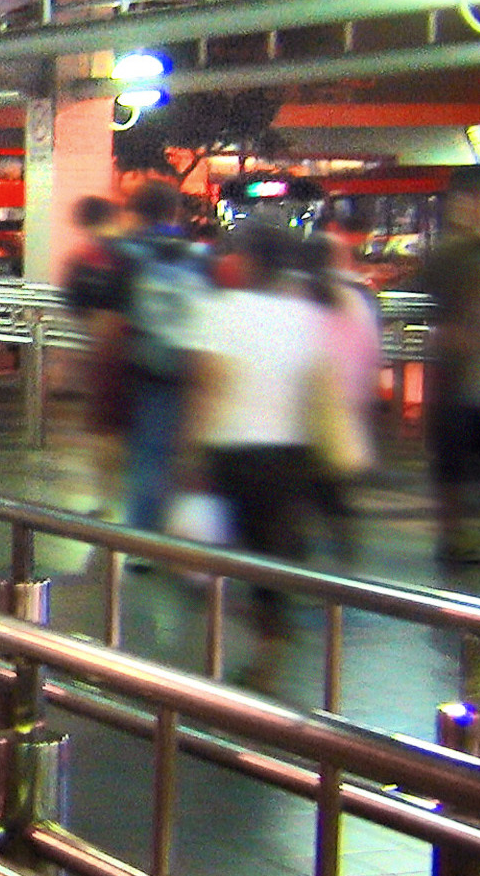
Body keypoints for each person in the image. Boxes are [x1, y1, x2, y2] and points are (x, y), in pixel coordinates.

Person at [182, 222, 333, 681]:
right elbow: (317, 387)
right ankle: (272, 633)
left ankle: (259, 639)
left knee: (226, 551)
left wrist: (189, 450)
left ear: (246, 261)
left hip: (233, 449)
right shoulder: (304, 317)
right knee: (273, 547)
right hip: (290, 451)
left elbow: (207, 384)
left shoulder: (221, 311)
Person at [410, 165, 480, 565]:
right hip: (463, 375)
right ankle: (459, 538)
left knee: (465, 463)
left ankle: (461, 536)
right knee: (464, 462)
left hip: (470, 374)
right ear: (467, 202)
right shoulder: (462, 255)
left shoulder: (474, 253)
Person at [106, 180, 208, 532]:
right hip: (194, 364)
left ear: (136, 211)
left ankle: (144, 539)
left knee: (146, 452)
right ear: (174, 211)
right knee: (185, 452)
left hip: (144, 363)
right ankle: (184, 531)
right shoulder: (197, 255)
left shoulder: (126, 252)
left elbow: (113, 314)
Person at [297, 232, 384, 563]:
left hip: (303, 408)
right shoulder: (354, 299)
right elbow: (369, 354)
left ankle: (295, 567)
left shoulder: (297, 295)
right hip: (340, 409)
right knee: (333, 492)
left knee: (305, 492)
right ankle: (344, 559)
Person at [61, 195, 128, 515]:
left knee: (105, 429)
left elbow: (75, 303)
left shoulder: (89, 257)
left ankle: (108, 499)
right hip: (143, 354)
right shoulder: (135, 251)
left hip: (105, 353)